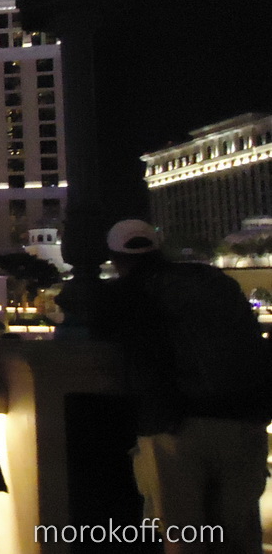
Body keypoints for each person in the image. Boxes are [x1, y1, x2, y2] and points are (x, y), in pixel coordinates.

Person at [100, 219, 270, 553]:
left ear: (116, 259)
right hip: (243, 419)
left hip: (173, 427)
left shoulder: (125, 294)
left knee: (184, 536)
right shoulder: (212, 281)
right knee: (240, 536)